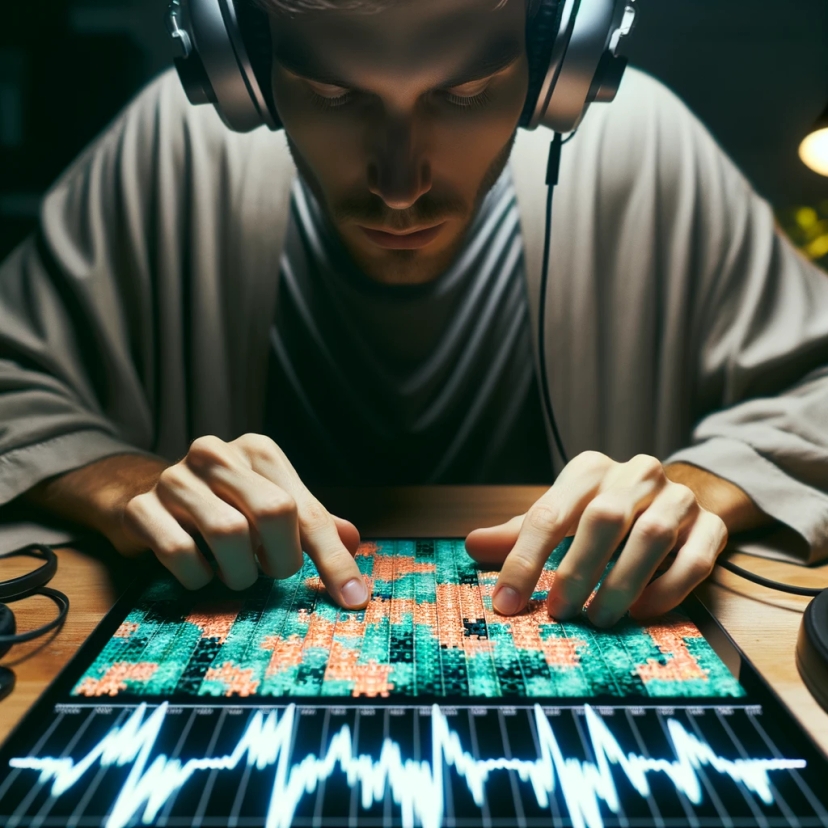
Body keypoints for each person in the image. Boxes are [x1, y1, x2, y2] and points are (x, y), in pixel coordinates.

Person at [1, 0, 827, 629]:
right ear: (239, 74)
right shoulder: (169, 149)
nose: (400, 185)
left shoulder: (646, 148)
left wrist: (700, 488)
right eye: (332, 92)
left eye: (465, 93)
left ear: (560, 69)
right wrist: (122, 484)